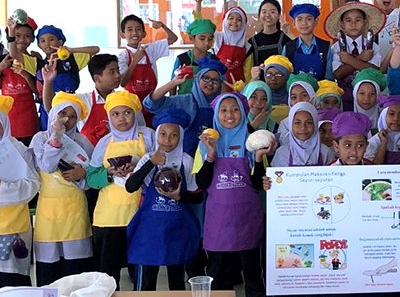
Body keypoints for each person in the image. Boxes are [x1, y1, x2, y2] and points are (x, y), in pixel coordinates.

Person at [195, 92, 268, 297]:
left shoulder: (253, 142)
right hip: (218, 219)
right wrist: (210, 155)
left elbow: (257, 184)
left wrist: (259, 157)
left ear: (243, 113)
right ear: (216, 114)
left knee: (253, 272)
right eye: (223, 110)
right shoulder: (206, 143)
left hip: (247, 217)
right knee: (216, 271)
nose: (230, 114)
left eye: (235, 109)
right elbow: (201, 183)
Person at [125, 109, 202, 291]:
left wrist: (179, 196)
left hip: (177, 229)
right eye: (163, 134)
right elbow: (130, 186)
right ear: (157, 134)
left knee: (176, 282)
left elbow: (197, 197)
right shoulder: (148, 159)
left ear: (181, 136)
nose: (167, 140)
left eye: (174, 135)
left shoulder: (186, 161)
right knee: (145, 282)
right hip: (149, 230)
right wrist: (152, 162)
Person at [86, 90, 156, 289]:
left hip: (140, 213)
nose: (121, 118)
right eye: (115, 114)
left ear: (136, 113)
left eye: (127, 112)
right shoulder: (103, 143)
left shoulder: (149, 136)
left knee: (142, 273)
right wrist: (109, 173)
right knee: (108, 275)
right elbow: (91, 179)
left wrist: (140, 169)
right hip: (109, 217)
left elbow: (160, 164)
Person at [0, 95, 39, 296]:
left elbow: (33, 185)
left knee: (7, 283)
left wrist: (3, 188)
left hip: (12, 231)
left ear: (5, 122)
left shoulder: (19, 150)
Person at [29, 92, 94, 286]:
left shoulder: (83, 141)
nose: (67, 120)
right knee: (49, 270)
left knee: (76, 271)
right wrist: (56, 140)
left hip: (75, 210)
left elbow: (92, 175)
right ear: (54, 114)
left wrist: (82, 175)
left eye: (73, 116)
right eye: (63, 114)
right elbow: (46, 166)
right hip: (48, 212)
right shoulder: (40, 139)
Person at [9, 21, 99, 130]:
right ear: (38, 45)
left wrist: (71, 50)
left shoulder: (72, 60)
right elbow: (14, 54)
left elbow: (96, 49)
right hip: (47, 111)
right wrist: (11, 33)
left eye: (51, 39)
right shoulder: (37, 64)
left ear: (60, 42)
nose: (47, 43)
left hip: (69, 110)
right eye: (42, 41)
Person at [143, 56, 227, 157]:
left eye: (215, 80)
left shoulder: (223, 105)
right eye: (206, 78)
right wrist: (173, 82)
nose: (210, 83)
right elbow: (151, 104)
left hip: (214, 157)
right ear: (198, 79)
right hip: (185, 158)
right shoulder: (184, 101)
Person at [118, 14, 178, 126]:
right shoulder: (123, 56)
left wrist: (163, 26)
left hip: (152, 102)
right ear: (122, 35)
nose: (135, 33)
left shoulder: (150, 49)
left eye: (138, 29)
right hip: (132, 105)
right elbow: (123, 82)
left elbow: (173, 39)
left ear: (144, 34)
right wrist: (134, 61)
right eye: (129, 30)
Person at [327, 2, 386, 111]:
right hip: (344, 96)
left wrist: (349, 60)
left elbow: (375, 71)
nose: (353, 24)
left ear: (365, 22)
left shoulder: (373, 46)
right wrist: (361, 59)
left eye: (358, 20)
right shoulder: (336, 48)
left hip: (368, 99)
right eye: (348, 20)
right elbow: (338, 73)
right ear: (342, 24)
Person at [0, 16, 39, 145]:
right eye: (17, 36)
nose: (22, 40)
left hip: (28, 118)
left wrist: (26, 76)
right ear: (10, 36)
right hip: (7, 117)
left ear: (33, 39)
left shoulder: (34, 61)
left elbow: (37, 91)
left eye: (27, 36)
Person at [271, 102, 334, 167]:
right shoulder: (282, 153)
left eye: (309, 123)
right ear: (290, 125)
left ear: (315, 125)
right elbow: (276, 175)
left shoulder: (325, 152)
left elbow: (333, 175)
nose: (303, 128)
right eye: (298, 123)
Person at [283, 4, 332, 80]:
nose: (304, 23)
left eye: (309, 19)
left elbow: (329, 78)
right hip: (295, 90)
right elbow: (284, 75)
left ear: (316, 21)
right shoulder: (288, 48)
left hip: (321, 90)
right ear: (293, 23)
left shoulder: (325, 47)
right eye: (299, 19)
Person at [366, 95, 400, 165]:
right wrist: (383, 144)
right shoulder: (373, 143)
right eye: (391, 114)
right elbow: (372, 170)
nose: (396, 119)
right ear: (383, 116)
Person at [173, 18, 217, 95]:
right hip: (182, 103)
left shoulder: (215, 60)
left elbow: (221, 85)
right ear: (191, 38)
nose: (207, 43)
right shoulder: (183, 59)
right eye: (202, 38)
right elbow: (173, 85)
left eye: (210, 39)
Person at [246, 0, 293, 69]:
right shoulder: (252, 42)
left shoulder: (286, 38)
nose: (267, 15)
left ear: (279, 15)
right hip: (259, 79)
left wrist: (290, 34)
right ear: (259, 15)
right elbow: (248, 68)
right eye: (264, 12)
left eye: (272, 12)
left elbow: (299, 53)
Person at [353, 68, 386, 134]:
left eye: (372, 94)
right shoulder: (348, 123)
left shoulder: (386, 121)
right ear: (355, 94)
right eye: (362, 93)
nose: (367, 98)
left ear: (378, 96)